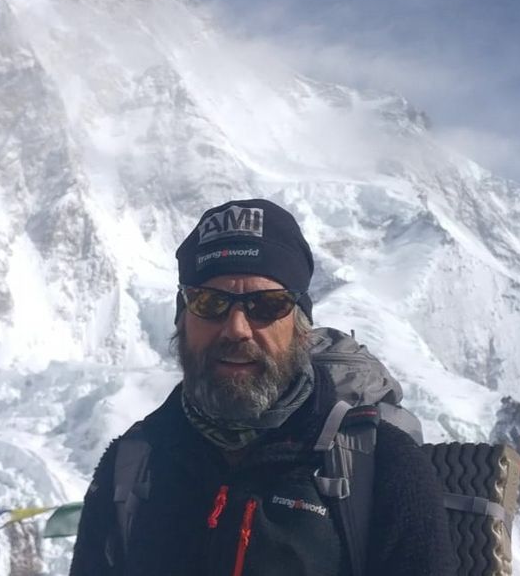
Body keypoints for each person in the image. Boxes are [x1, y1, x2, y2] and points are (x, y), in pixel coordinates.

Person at [70, 198, 455, 575]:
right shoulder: (129, 468)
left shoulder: (384, 466)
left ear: (301, 328)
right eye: (209, 302)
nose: (236, 328)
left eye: (268, 305)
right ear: (182, 319)